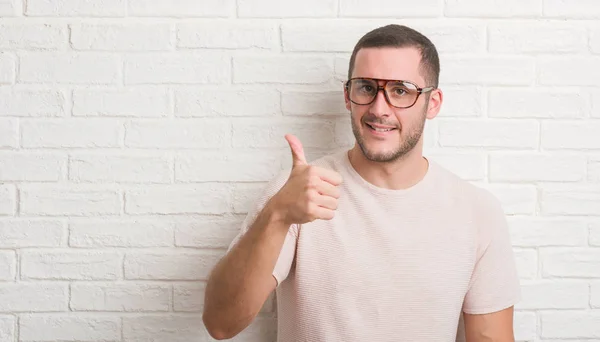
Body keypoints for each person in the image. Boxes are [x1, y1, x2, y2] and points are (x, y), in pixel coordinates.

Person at [202, 24, 521, 342]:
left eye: (401, 91)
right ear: (347, 96)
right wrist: (277, 215)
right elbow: (220, 323)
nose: (379, 109)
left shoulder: (477, 212)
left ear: (433, 103)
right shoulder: (297, 194)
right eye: (366, 88)